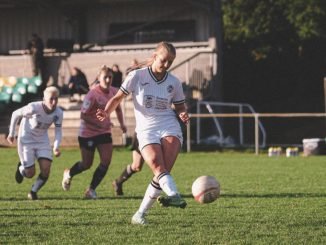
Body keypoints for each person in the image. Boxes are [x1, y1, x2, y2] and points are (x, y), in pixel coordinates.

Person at [97, 41, 190, 225]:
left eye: (170, 62)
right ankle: (174, 195)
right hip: (146, 129)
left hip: (169, 125)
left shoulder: (174, 82)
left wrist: (183, 113)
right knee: (157, 165)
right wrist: (106, 112)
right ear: (155, 56)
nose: (166, 65)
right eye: (163, 60)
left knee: (162, 172)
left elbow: (179, 106)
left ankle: (139, 215)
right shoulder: (137, 76)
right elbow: (117, 98)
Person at [61, 65, 127, 199]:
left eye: (110, 77)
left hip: (104, 132)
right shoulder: (92, 95)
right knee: (86, 164)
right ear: (99, 78)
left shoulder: (114, 91)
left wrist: (122, 124)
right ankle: (69, 173)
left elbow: (118, 108)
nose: (108, 80)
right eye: (105, 77)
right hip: (88, 133)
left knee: (106, 161)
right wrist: (99, 123)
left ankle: (91, 190)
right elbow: (83, 115)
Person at [7, 86, 63, 200]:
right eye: (51, 99)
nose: (54, 102)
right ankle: (21, 168)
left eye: (56, 99)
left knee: (46, 169)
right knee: (29, 173)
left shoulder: (59, 113)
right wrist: (11, 133)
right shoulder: (33, 107)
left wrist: (56, 147)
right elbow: (15, 114)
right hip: (26, 140)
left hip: (42, 140)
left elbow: (58, 131)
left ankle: (33, 191)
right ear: (44, 99)